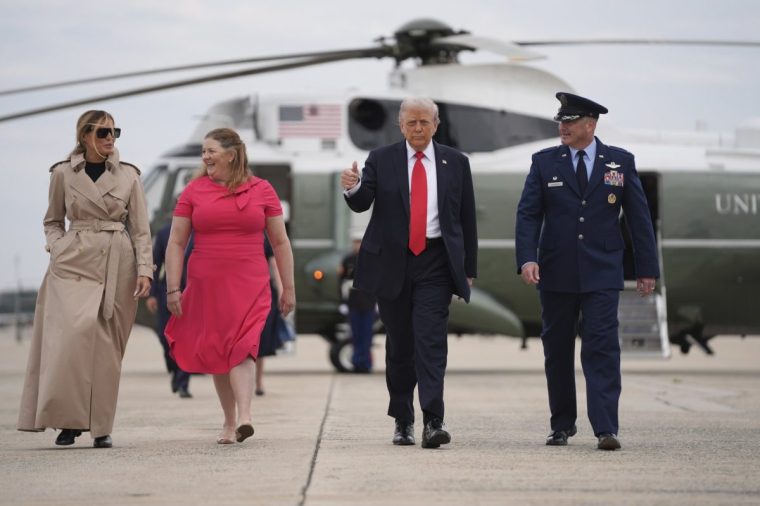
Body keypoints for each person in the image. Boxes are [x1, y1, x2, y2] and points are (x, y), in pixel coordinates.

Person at [515, 92, 659, 451]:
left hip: (602, 272)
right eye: (561, 121)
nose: (562, 127)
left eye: (570, 121)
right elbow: (528, 213)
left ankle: (606, 428)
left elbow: (640, 219)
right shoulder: (545, 162)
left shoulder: (619, 162)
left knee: (602, 349)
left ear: (589, 125)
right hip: (556, 271)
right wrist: (527, 258)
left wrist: (646, 269)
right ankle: (561, 425)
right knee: (558, 350)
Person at [342, 97, 478, 449]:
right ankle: (403, 419)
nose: (418, 129)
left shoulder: (456, 162)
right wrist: (353, 186)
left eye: (424, 122)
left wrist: (468, 269)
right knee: (400, 345)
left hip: (435, 261)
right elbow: (363, 201)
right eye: (411, 123)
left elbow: (466, 220)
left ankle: (434, 419)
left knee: (431, 341)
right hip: (393, 263)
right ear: (400, 126)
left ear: (436, 124)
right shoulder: (381, 159)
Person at [17, 110, 153, 449]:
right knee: (69, 345)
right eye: (104, 132)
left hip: (115, 264)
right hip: (72, 264)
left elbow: (140, 230)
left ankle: (101, 426)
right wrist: (58, 247)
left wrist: (145, 270)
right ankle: (68, 421)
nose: (111, 138)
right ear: (84, 136)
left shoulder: (129, 175)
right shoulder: (62, 174)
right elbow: (52, 220)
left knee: (106, 350)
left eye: (115, 132)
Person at [164, 128, 295, 445]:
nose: (205, 157)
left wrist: (288, 288)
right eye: (203, 152)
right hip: (207, 283)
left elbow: (280, 242)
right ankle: (229, 420)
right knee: (218, 351)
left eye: (210, 151)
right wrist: (172, 288)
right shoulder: (193, 191)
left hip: (250, 282)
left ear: (231, 154)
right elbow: (176, 242)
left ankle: (245, 416)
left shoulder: (263, 190)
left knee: (244, 346)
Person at [146, 219, 192, 398]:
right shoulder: (165, 233)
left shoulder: (199, 232)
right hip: (167, 291)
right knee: (164, 336)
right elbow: (155, 264)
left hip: (192, 291)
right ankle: (174, 367)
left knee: (187, 339)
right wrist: (151, 294)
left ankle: (183, 382)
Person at [338, 235, 377, 373]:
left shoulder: (372, 259)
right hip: (353, 302)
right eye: (356, 242)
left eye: (360, 242)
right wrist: (342, 302)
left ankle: (366, 363)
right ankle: (356, 362)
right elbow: (342, 283)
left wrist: (378, 301)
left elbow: (377, 282)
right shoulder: (348, 260)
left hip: (368, 302)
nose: (358, 245)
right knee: (355, 335)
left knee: (367, 335)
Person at [254, 234, 286, 396]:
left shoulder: (264, 239)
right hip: (253, 292)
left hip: (263, 293)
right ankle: (255, 381)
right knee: (257, 340)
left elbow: (274, 266)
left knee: (260, 341)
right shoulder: (263, 237)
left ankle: (258, 381)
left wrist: (282, 292)